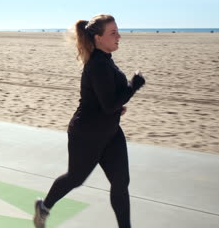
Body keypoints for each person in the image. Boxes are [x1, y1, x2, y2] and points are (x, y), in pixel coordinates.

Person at [33, 14, 145, 228]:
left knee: (121, 183)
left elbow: (106, 98)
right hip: (87, 135)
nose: (119, 36)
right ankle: (44, 207)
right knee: (75, 178)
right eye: (113, 33)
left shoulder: (106, 61)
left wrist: (117, 106)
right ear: (98, 38)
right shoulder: (98, 65)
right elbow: (109, 104)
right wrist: (134, 85)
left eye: (117, 31)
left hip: (111, 132)